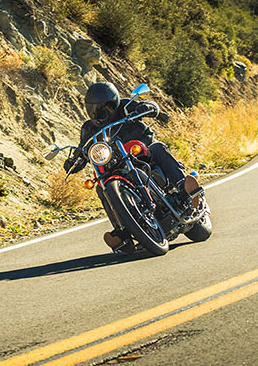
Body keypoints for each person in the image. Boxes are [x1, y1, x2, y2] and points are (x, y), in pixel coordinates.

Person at [63, 81, 201, 251]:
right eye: (94, 109)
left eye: (106, 107)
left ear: (114, 103)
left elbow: (149, 105)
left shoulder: (126, 107)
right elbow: (83, 148)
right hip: (116, 165)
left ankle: (184, 190)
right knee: (100, 186)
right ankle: (123, 232)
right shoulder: (89, 128)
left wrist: (147, 108)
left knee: (157, 148)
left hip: (142, 153)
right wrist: (74, 161)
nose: (100, 112)